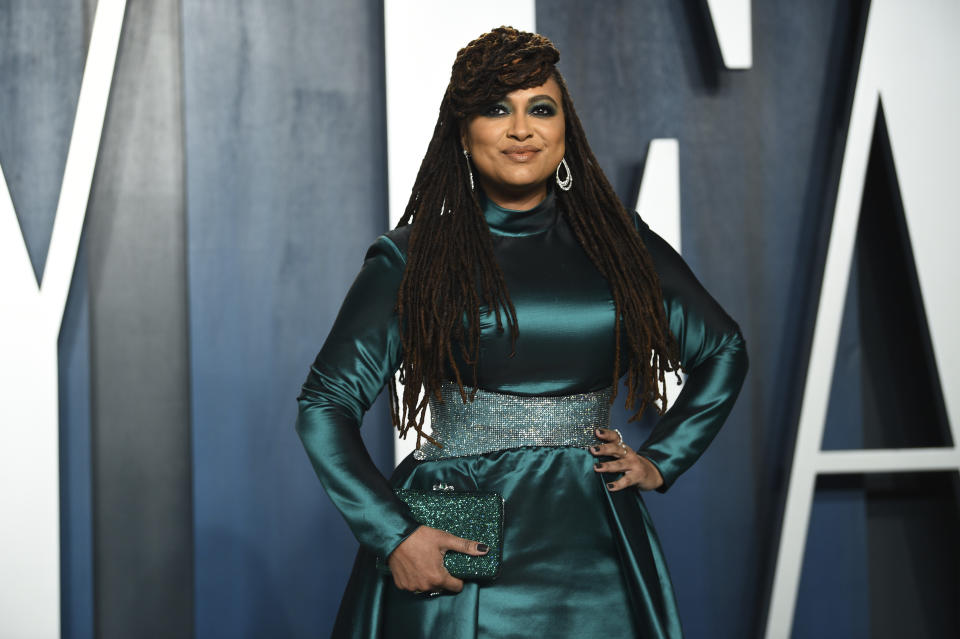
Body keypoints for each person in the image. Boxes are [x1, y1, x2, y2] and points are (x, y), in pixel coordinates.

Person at [296, 26, 748, 639]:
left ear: (565, 129)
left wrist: (662, 460)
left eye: (541, 108)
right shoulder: (411, 258)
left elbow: (722, 349)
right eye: (495, 109)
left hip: (595, 544)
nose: (521, 129)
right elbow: (324, 405)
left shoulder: (620, 245)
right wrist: (394, 535)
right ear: (463, 131)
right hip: (463, 544)